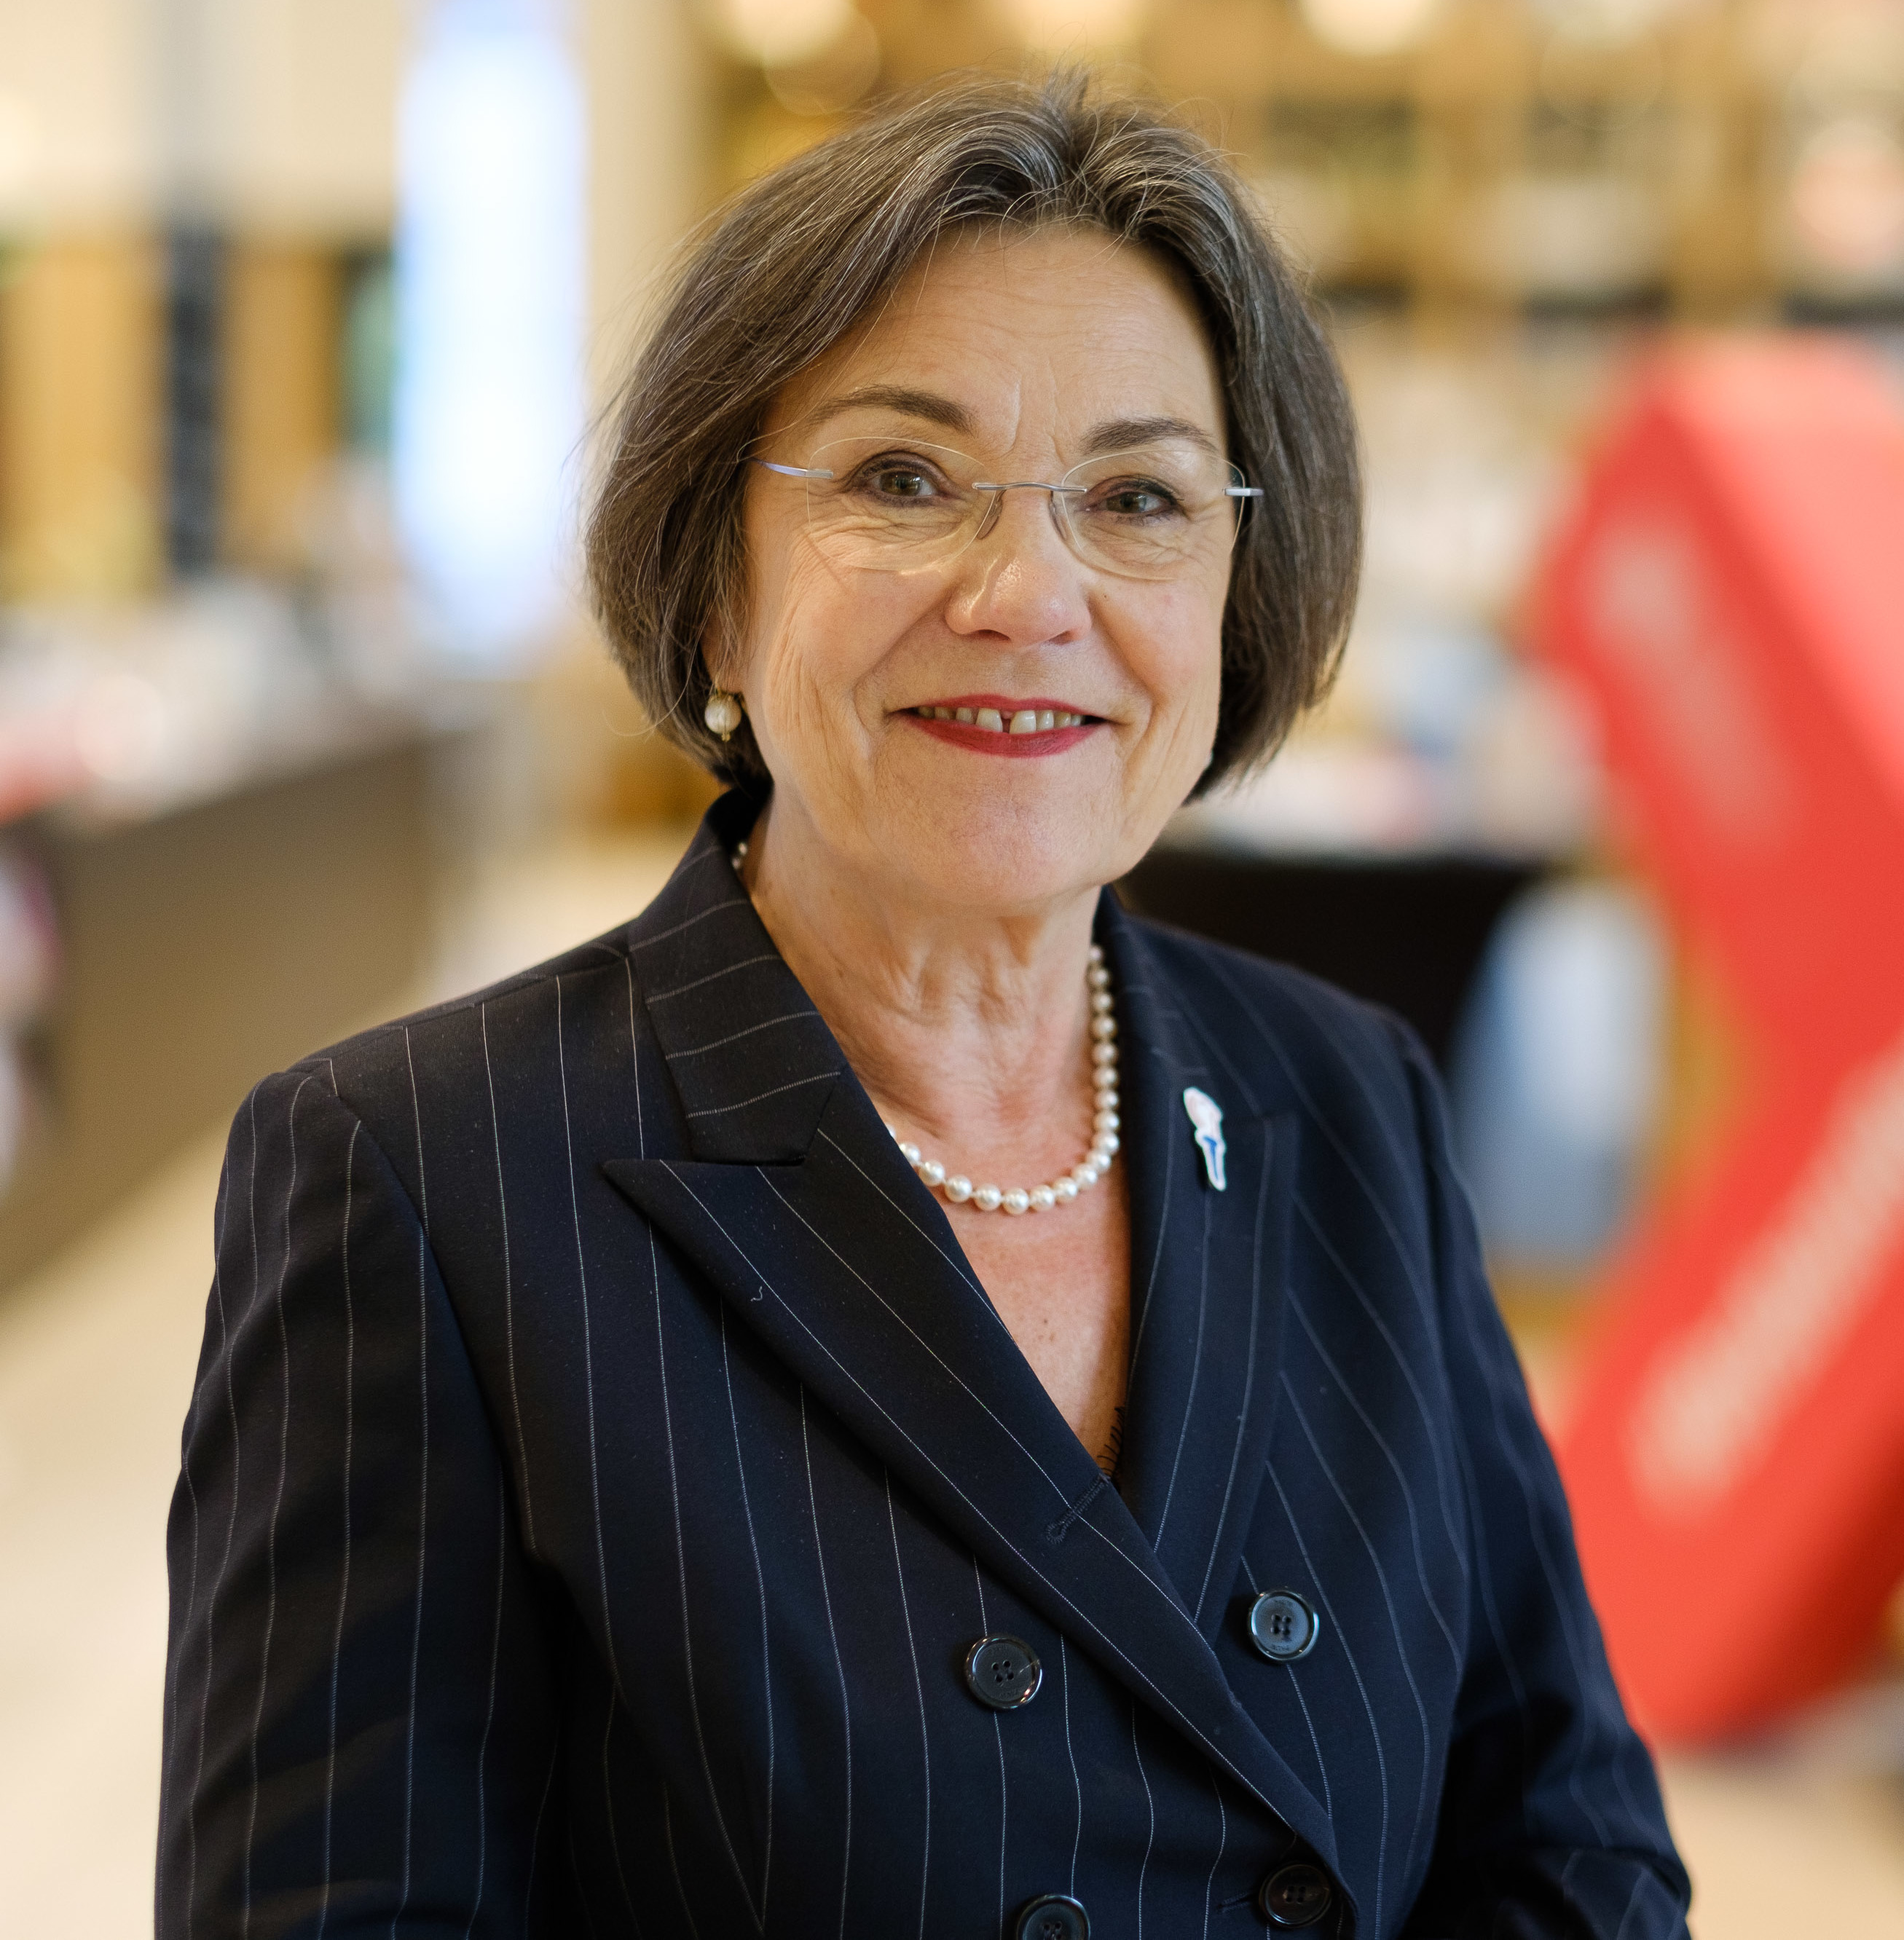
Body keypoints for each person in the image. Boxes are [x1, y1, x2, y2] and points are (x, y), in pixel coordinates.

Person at [159, 71, 1689, 1940]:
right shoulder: (418, 1181)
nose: (1027, 591)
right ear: (715, 589)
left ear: (1234, 602)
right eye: (900, 480)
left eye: (1136, 497)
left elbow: (1566, 1836)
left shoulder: (1345, 1093)